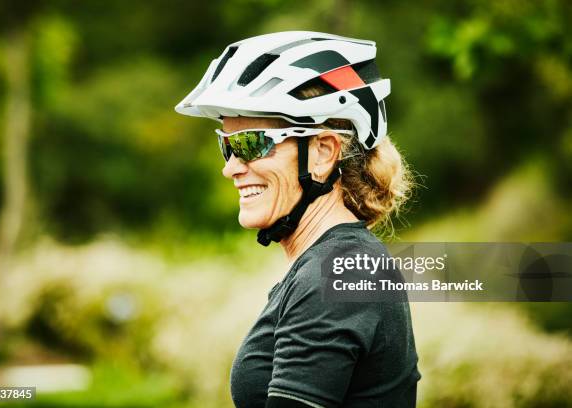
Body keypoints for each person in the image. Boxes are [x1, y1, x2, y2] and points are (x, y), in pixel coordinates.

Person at [176, 31, 420, 408]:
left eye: (251, 144)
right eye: (227, 144)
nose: (231, 168)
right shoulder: (330, 265)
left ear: (323, 152)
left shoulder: (338, 272)